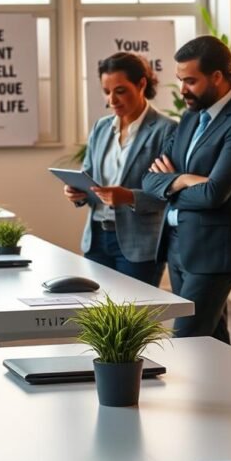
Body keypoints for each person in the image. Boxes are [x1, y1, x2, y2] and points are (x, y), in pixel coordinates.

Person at [142, 35, 231, 342]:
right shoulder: (190, 117)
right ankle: (229, 377)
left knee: (186, 341)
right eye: (180, 80)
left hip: (213, 250)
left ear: (217, 77)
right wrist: (184, 179)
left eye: (191, 81)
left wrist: (171, 183)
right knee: (212, 340)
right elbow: (149, 180)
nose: (182, 89)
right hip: (178, 244)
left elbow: (213, 195)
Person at [63, 52, 176, 287]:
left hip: (139, 244)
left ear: (141, 84)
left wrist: (129, 197)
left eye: (120, 91)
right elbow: (88, 174)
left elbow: (171, 193)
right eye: (107, 91)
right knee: (97, 309)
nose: (112, 100)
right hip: (96, 239)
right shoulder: (101, 127)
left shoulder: (166, 130)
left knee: (134, 309)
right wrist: (77, 192)